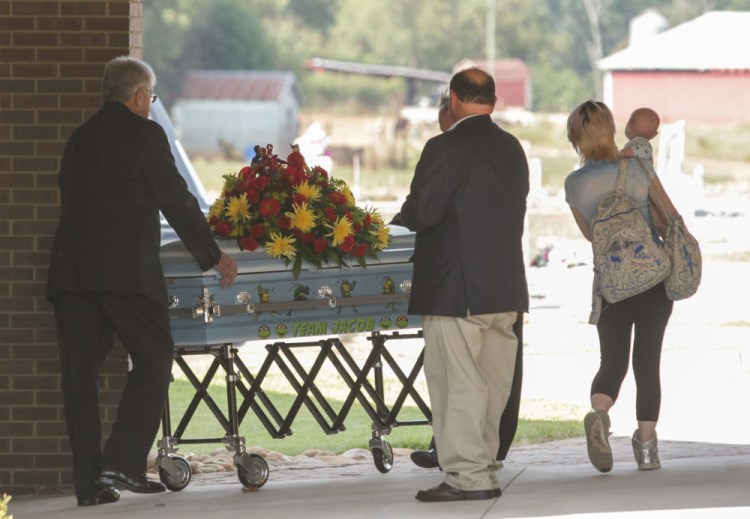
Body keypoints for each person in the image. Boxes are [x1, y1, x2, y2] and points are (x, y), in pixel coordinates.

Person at [46, 56, 239, 507]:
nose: (150, 105)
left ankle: (89, 484)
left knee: (80, 378)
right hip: (124, 272)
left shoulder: (78, 139)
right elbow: (175, 197)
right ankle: (122, 462)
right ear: (137, 97)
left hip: (72, 272)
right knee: (154, 358)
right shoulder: (145, 134)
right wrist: (212, 255)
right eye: (150, 98)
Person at [399, 68, 529, 502]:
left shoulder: (444, 147)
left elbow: (424, 211)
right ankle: (486, 467)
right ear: (492, 101)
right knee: (494, 384)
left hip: (456, 287)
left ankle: (467, 478)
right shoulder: (513, 148)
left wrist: (394, 222)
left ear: (453, 98)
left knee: (460, 383)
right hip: (505, 283)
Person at [564, 100, 678, 473]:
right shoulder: (636, 167)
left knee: (612, 362)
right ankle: (646, 449)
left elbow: (590, 236)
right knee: (648, 364)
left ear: (575, 139)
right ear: (612, 128)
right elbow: (666, 217)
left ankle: (599, 413)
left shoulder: (574, 184)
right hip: (653, 283)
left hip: (611, 285)